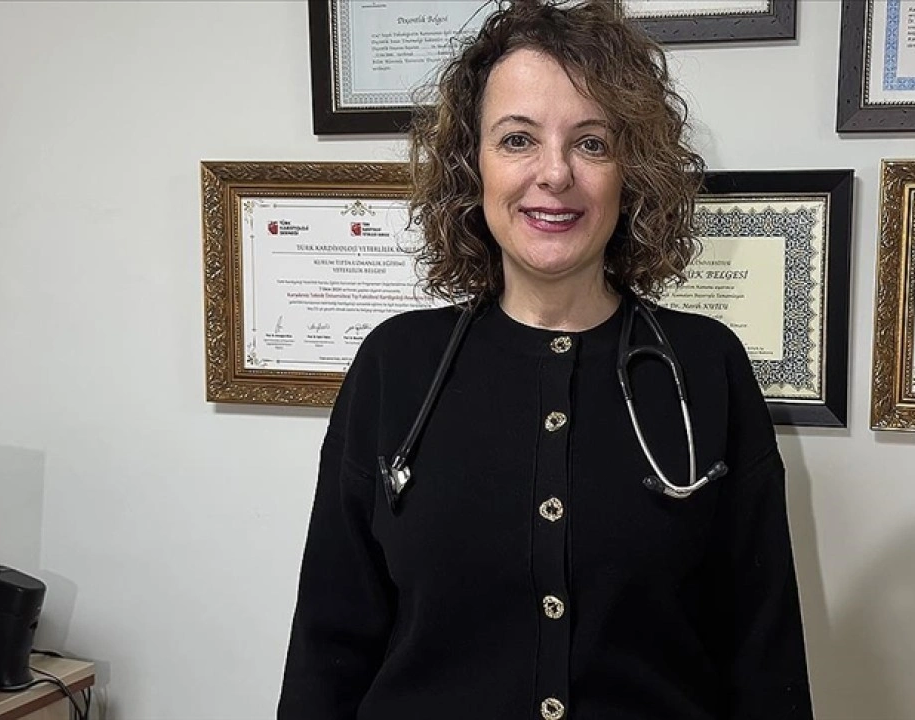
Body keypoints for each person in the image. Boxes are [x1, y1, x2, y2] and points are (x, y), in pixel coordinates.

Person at [277, 1, 812, 718]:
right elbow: (328, 646)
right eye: (517, 139)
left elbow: (764, 654)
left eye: (591, 143)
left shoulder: (706, 365)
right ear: (473, 166)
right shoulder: (395, 365)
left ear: (631, 172)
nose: (554, 173)